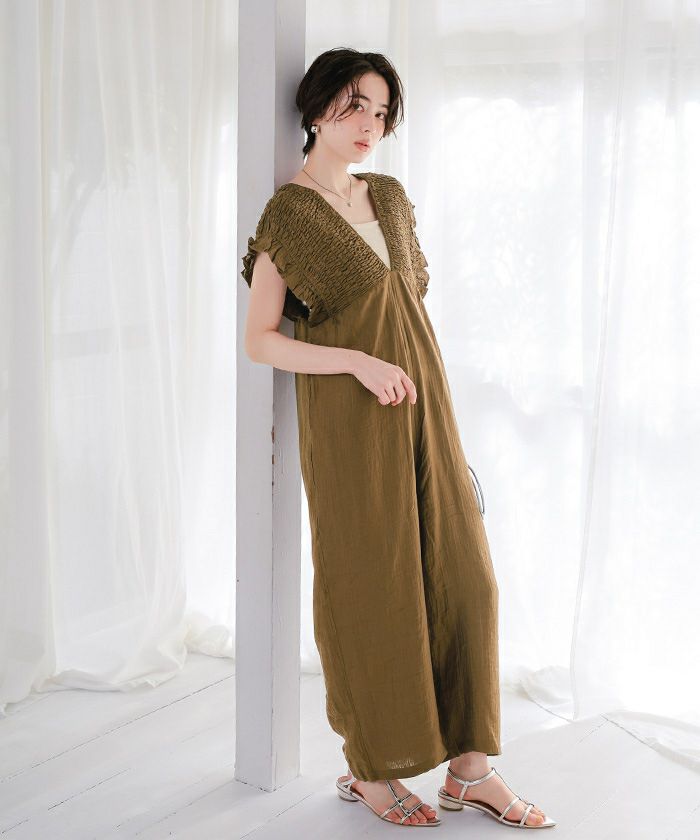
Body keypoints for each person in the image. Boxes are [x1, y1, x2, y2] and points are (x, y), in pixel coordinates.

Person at [241, 47, 555, 830]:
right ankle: (371, 771)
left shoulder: (388, 196)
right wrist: (354, 360)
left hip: (426, 409)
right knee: (372, 590)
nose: (369, 125)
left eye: (381, 112)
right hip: (351, 424)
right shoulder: (290, 214)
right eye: (355, 106)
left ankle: (470, 772)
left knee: (467, 582)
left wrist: (420, 391)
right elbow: (261, 340)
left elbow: (407, 308)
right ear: (317, 107)